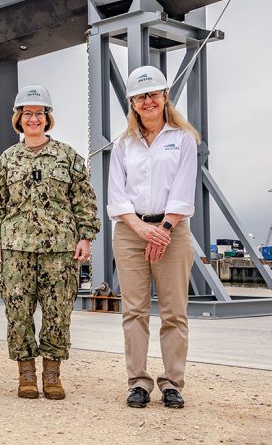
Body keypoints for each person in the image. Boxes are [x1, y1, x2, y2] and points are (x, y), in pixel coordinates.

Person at [0, 85, 98, 399]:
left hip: (60, 250)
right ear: (18, 119)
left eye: (39, 113)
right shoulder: (6, 160)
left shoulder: (68, 156)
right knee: (18, 313)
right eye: (27, 114)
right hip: (16, 249)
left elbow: (84, 200)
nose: (33, 119)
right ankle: (26, 375)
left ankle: (52, 374)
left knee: (57, 313)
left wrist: (86, 237)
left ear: (48, 118)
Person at [107, 66, 200, 409]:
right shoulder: (123, 145)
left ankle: (173, 383)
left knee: (174, 311)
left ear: (165, 97)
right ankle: (139, 382)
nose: (148, 101)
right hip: (131, 232)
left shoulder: (183, 139)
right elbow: (116, 194)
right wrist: (141, 228)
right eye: (141, 96)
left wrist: (163, 229)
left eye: (154, 94)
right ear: (132, 102)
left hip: (171, 232)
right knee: (135, 311)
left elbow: (183, 187)